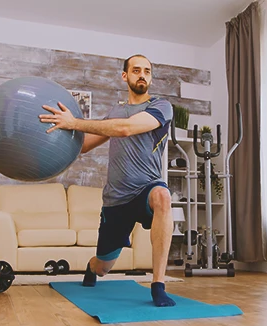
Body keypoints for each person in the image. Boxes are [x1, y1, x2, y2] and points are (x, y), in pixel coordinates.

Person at [39, 54, 175, 307]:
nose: (142, 75)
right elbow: (85, 146)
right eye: (136, 70)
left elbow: (125, 129)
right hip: (116, 200)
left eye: (147, 71)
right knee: (103, 266)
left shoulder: (161, 106)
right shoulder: (115, 111)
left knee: (163, 196)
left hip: (146, 188)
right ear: (125, 76)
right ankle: (91, 268)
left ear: (151, 77)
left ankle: (158, 285)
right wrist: (57, 130)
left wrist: (76, 122)